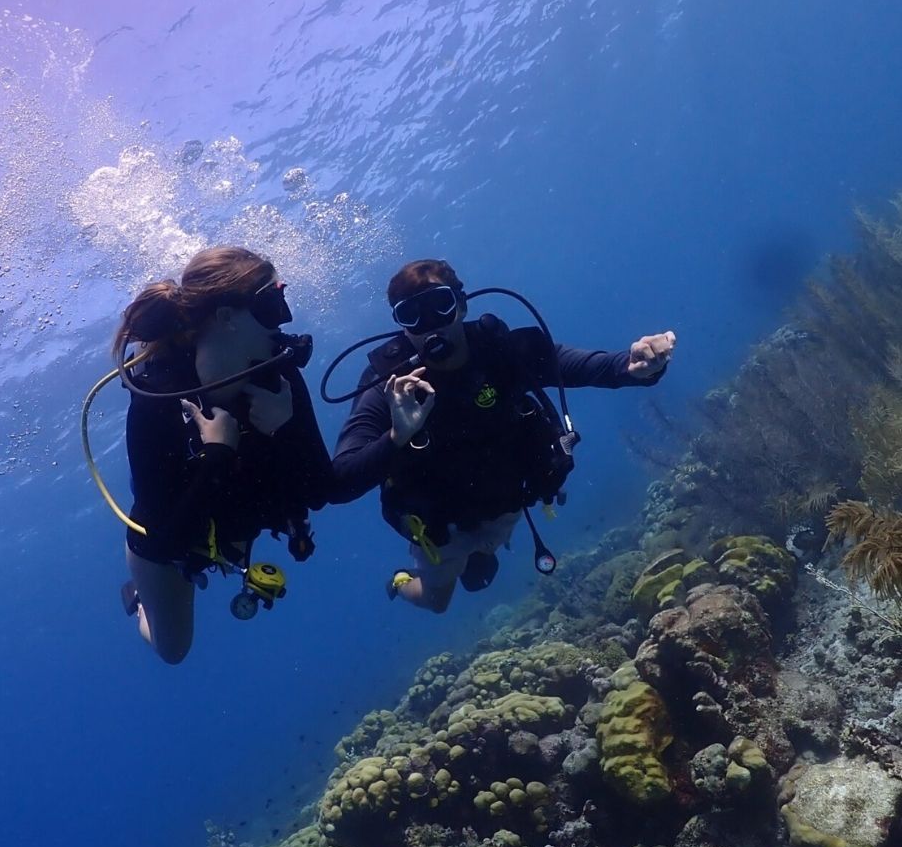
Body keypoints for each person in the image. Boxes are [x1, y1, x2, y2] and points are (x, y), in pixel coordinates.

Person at [331, 259, 676, 614]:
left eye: (440, 305)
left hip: (505, 505)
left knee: (482, 569)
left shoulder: (504, 353)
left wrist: (634, 367)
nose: (429, 325)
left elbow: (586, 365)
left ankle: (480, 555)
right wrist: (396, 436)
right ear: (402, 327)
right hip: (442, 528)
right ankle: (401, 582)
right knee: (437, 602)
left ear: (462, 305)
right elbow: (340, 480)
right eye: (412, 315)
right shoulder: (388, 388)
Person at [113, 246, 331, 663]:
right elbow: (164, 542)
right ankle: (137, 600)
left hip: (228, 532)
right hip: (164, 545)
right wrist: (216, 454)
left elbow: (321, 489)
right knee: (172, 650)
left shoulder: (278, 376)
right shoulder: (157, 400)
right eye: (271, 304)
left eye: (282, 299)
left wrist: (284, 428)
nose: (284, 319)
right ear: (227, 317)